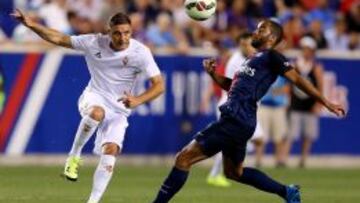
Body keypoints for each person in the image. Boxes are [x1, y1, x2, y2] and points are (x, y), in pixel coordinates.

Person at [152, 19, 345, 203]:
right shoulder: (251, 60)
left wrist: (325, 101)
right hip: (242, 120)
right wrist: (213, 75)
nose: (256, 31)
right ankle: (287, 191)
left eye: (262, 29)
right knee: (234, 173)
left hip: (235, 119)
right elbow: (233, 86)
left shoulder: (272, 56)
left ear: (272, 38)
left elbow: (299, 80)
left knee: (183, 158)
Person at [11, 9, 165, 203]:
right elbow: (59, 38)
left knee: (111, 151)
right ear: (109, 32)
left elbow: (159, 85)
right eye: (117, 33)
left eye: (126, 32)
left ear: (131, 32)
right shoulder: (93, 42)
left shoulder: (140, 52)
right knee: (97, 112)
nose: (122, 37)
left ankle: (93, 201)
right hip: (94, 97)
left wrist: (138, 100)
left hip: (119, 109)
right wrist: (31, 25)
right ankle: (73, 157)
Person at [202, 33, 265, 188]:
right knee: (254, 138)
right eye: (243, 44)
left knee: (252, 139)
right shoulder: (237, 61)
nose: (246, 47)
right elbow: (234, 87)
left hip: (240, 107)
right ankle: (217, 172)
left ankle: (218, 172)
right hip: (232, 105)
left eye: (248, 44)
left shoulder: (247, 59)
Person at [282, 36, 324, 168]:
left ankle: (303, 160)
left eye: (309, 50)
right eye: (305, 49)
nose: (307, 52)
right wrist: (287, 100)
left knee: (308, 135)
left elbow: (320, 87)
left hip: (310, 105)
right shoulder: (295, 65)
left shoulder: (316, 67)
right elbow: (289, 85)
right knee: (291, 134)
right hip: (296, 104)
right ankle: (284, 159)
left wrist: (318, 103)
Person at [258, 76, 289, 167]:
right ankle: (258, 160)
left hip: (278, 106)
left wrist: (277, 91)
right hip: (264, 105)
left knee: (279, 136)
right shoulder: (264, 70)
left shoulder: (283, 72)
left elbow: (288, 88)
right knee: (261, 135)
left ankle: (279, 160)